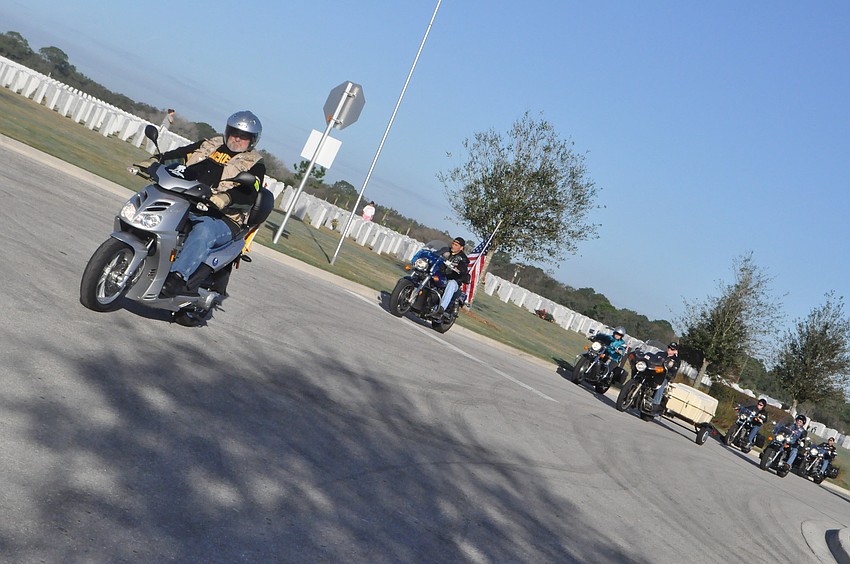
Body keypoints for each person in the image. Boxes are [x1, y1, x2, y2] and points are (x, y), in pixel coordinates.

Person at [146, 110, 265, 297]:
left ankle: (177, 277)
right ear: (227, 130)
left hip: (224, 218)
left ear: (252, 140)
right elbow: (182, 154)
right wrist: (156, 160)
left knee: (204, 231)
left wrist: (226, 198)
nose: (237, 139)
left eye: (244, 137)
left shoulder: (255, 163)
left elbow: (251, 192)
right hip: (190, 201)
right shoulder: (210, 144)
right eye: (234, 133)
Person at [433, 237, 470, 316]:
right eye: (453, 244)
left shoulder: (463, 258)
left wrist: (458, 269)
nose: (453, 246)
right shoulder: (445, 250)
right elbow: (435, 254)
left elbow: (463, 269)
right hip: (440, 275)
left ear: (461, 248)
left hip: (453, 280)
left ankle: (441, 309)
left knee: (451, 284)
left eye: (456, 245)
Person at [652, 341, 681, 409]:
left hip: (664, 376)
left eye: (672, 349)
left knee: (661, 384)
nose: (669, 350)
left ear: (676, 351)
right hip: (653, 373)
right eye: (669, 347)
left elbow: (674, 370)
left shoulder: (676, 360)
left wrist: (670, 374)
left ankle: (655, 404)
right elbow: (653, 359)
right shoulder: (660, 354)